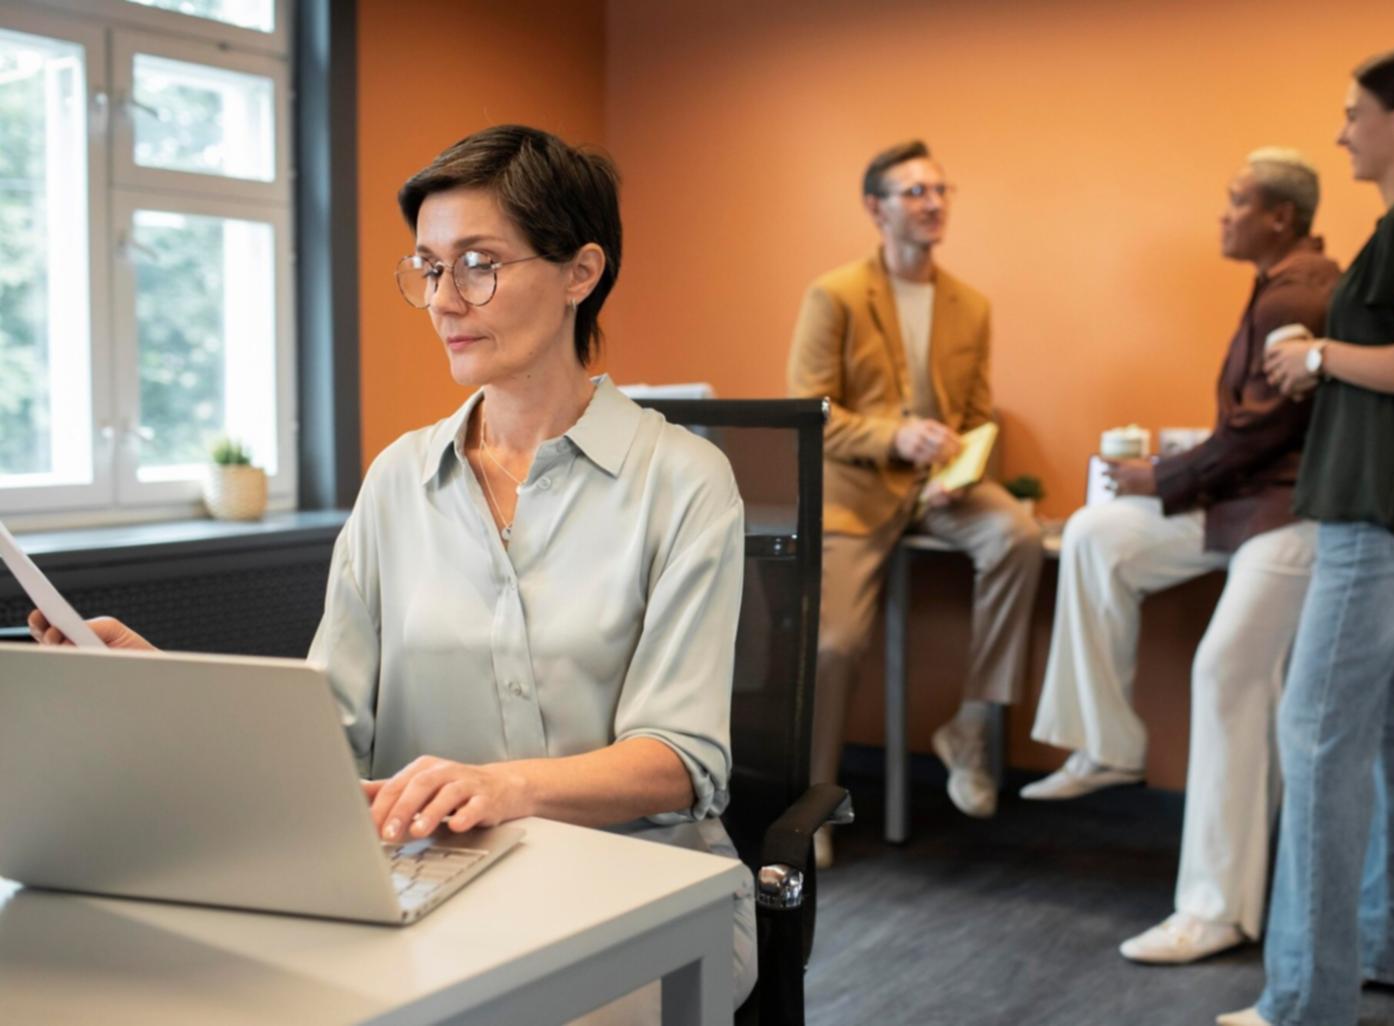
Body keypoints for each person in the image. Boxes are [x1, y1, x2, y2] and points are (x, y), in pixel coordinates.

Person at [29, 125, 757, 1019]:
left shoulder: (683, 481)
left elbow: (679, 764)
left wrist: (506, 785)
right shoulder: (398, 478)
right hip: (432, 883)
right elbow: (324, 729)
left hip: (644, 897)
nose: (445, 300)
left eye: (478, 264)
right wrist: (157, 682)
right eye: (428, 268)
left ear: (581, 272)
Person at [1220, 49, 1394, 1026]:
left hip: (1372, 520)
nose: (1340, 131)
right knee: (1388, 741)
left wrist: (1317, 352)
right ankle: (1390, 949)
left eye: (1353, 113)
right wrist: (1329, 362)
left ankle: (1304, 998)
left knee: (1319, 740)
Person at [1020, 149, 1341, 964]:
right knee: (1096, 533)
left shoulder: (1296, 295)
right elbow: (1251, 434)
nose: (1222, 214)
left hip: (1289, 516)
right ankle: (1106, 743)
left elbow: (1259, 433)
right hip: (1241, 504)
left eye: (1235, 201)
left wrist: (1157, 475)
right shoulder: (1276, 284)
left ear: (1278, 216)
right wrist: (1156, 485)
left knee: (1226, 675)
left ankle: (1214, 909)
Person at [787, 139, 1043, 866]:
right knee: (834, 643)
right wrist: (896, 438)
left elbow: (977, 410)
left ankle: (970, 722)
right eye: (913, 192)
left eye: (939, 190)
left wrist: (962, 462)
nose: (932, 203)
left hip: (942, 489)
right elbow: (810, 410)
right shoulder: (833, 293)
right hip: (857, 491)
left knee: (1017, 537)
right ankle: (813, 807)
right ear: (876, 208)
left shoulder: (972, 305)